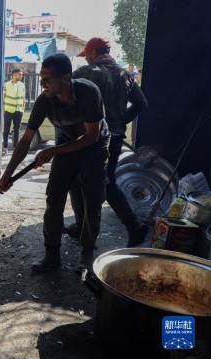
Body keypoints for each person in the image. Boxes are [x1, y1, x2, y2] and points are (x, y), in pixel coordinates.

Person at [0, 53, 110, 273]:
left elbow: (91, 137)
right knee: (54, 197)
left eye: (47, 78)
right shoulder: (44, 102)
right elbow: (26, 139)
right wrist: (8, 174)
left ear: (66, 78)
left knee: (92, 199)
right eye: (41, 77)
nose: (42, 83)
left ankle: (87, 254)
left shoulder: (88, 92)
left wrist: (52, 151)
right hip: (68, 145)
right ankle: (52, 255)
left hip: (94, 147)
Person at [66, 37, 149, 247]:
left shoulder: (85, 73)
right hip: (115, 136)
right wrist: (121, 121)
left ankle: (83, 228)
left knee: (77, 179)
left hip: (90, 135)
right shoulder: (125, 74)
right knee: (107, 181)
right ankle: (132, 225)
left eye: (87, 56)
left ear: (93, 53)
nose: (86, 60)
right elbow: (141, 103)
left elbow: (65, 96)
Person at [2, 69, 26, 155]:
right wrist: (3, 110)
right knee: (6, 130)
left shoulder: (22, 85)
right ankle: (5, 148)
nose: (21, 76)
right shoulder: (6, 85)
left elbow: (23, 98)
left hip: (18, 111)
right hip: (8, 111)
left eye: (21, 75)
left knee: (17, 130)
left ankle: (16, 148)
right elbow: (3, 97)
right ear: (14, 75)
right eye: (20, 74)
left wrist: (22, 109)